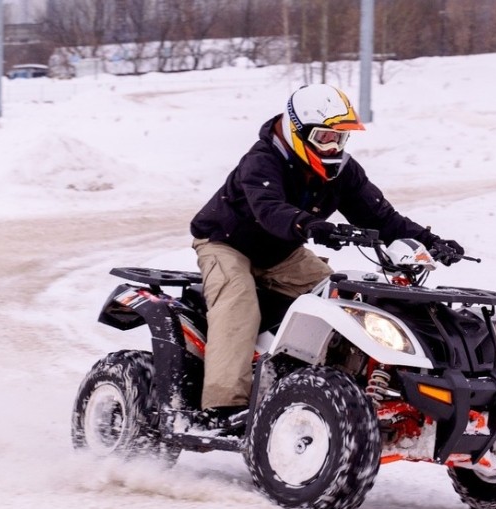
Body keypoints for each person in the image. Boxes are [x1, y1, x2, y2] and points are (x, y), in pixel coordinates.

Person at [189, 83, 464, 429]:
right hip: (226, 244)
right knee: (238, 300)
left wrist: (431, 241)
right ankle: (223, 406)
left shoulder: (343, 171)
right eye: (324, 138)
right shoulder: (262, 161)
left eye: (340, 138)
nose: (334, 146)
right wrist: (311, 226)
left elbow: (382, 218)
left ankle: (339, 388)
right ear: (296, 130)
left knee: (343, 298)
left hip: (282, 252)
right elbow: (269, 210)